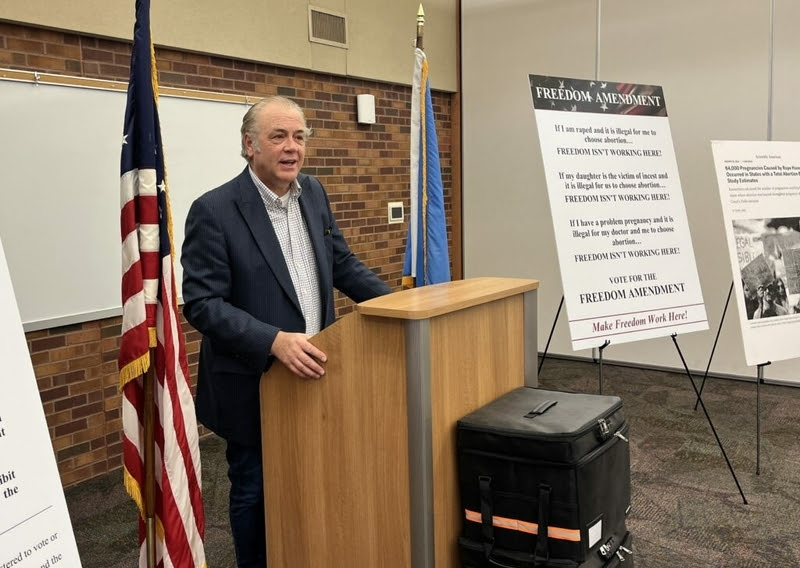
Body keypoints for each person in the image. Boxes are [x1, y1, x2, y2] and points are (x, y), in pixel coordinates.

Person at [181, 96, 392, 568]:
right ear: (249, 145)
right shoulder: (214, 211)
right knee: (255, 491)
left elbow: (341, 263)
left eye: (299, 137)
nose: (291, 147)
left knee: (314, 482)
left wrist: (398, 303)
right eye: (278, 136)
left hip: (317, 372)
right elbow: (202, 303)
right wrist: (272, 341)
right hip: (254, 383)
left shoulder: (313, 193)